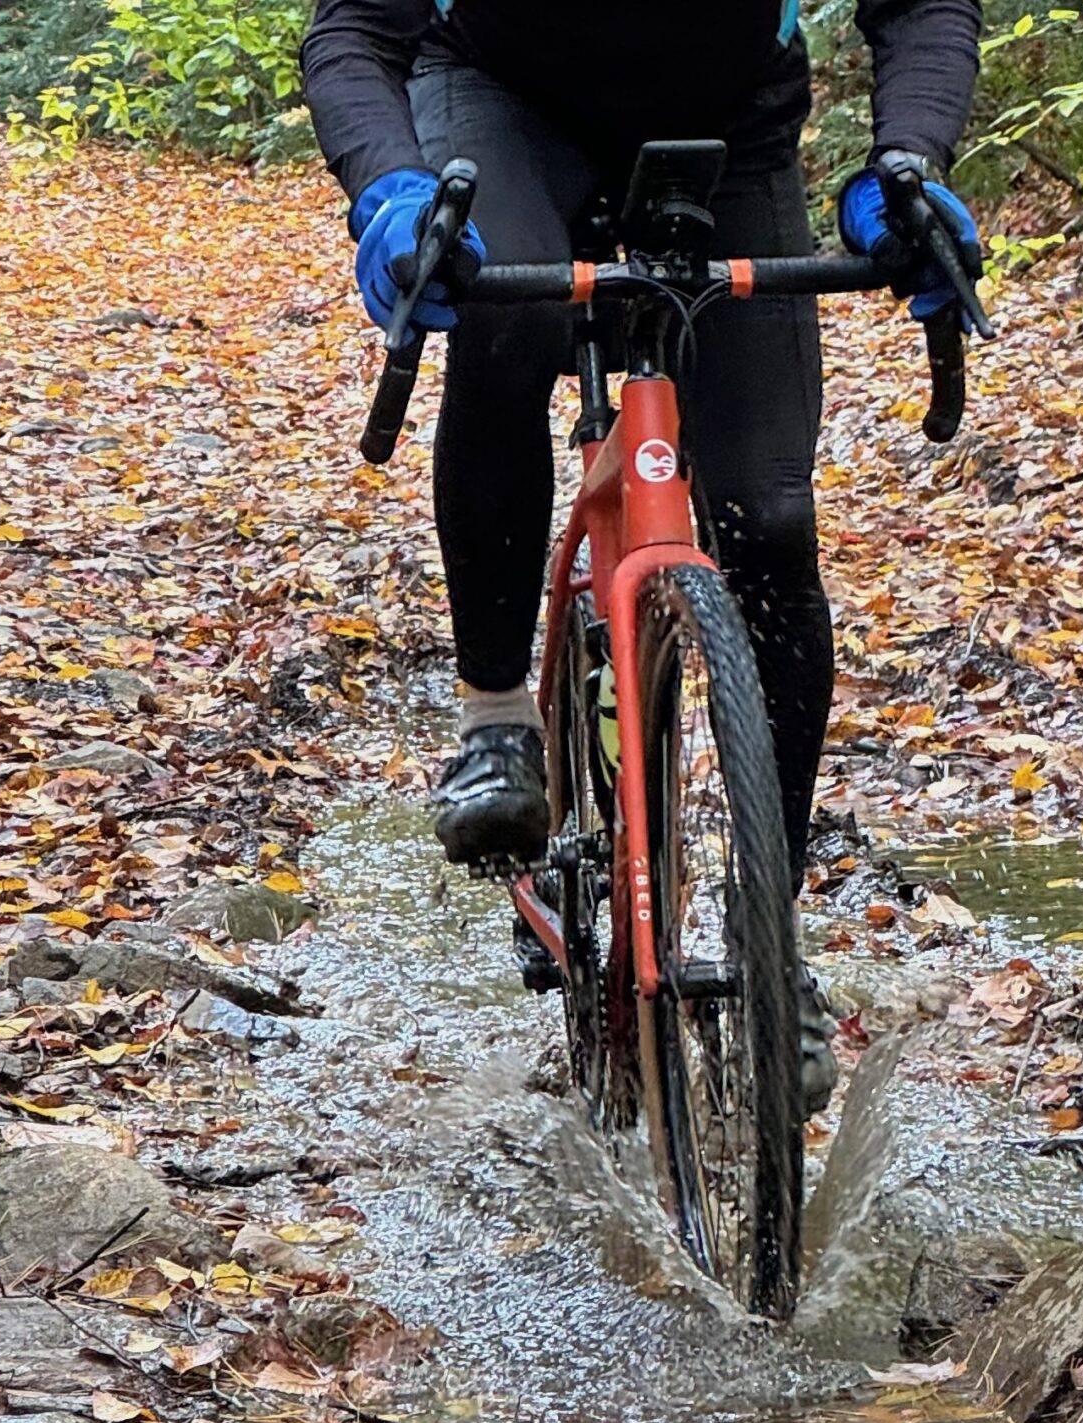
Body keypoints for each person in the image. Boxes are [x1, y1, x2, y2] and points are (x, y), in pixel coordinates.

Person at [298, 0, 983, 1107]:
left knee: (767, 521)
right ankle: (494, 723)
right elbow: (353, 32)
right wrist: (390, 187)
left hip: (728, 125)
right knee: (508, 321)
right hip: (500, 96)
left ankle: (771, 929)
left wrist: (903, 160)